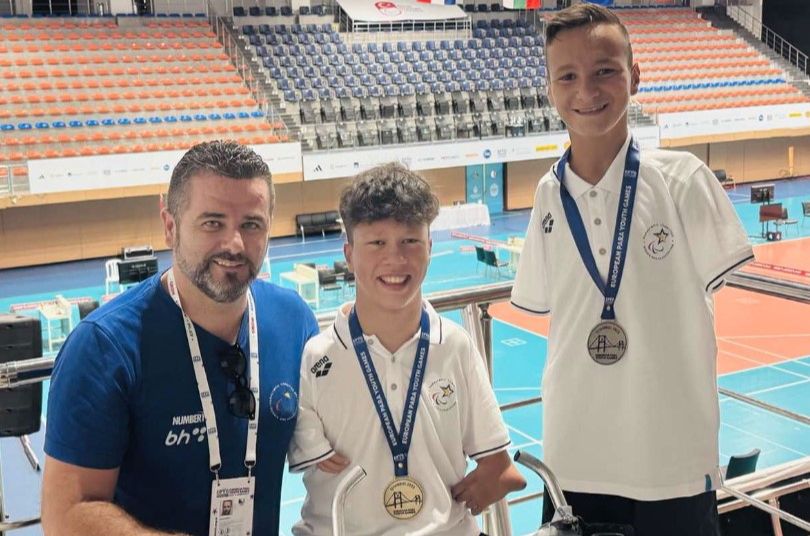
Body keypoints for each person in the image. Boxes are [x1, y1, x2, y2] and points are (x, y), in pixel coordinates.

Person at [510, 5, 754, 535]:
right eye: (567, 76)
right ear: (550, 90)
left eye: (604, 70)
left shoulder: (683, 179)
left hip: (671, 461)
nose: (586, 90)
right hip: (574, 458)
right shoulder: (548, 195)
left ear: (634, 77)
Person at [41, 140, 319, 536]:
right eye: (213, 223)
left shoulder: (294, 322)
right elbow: (66, 516)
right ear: (170, 225)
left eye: (251, 224)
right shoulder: (104, 348)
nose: (234, 244)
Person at [288, 163, 526, 535]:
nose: (395, 259)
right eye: (377, 243)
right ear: (349, 254)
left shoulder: (454, 346)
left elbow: (499, 466)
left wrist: (490, 482)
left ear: (429, 247)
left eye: (410, 241)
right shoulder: (318, 357)